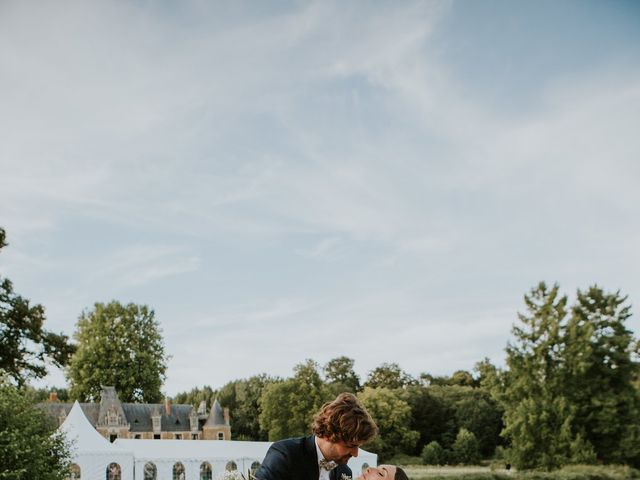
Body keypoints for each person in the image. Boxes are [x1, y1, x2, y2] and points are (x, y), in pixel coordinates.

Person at [254, 392, 378, 480]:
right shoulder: (286, 455)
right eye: (351, 446)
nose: (355, 454)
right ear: (330, 434)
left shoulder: (345, 472)